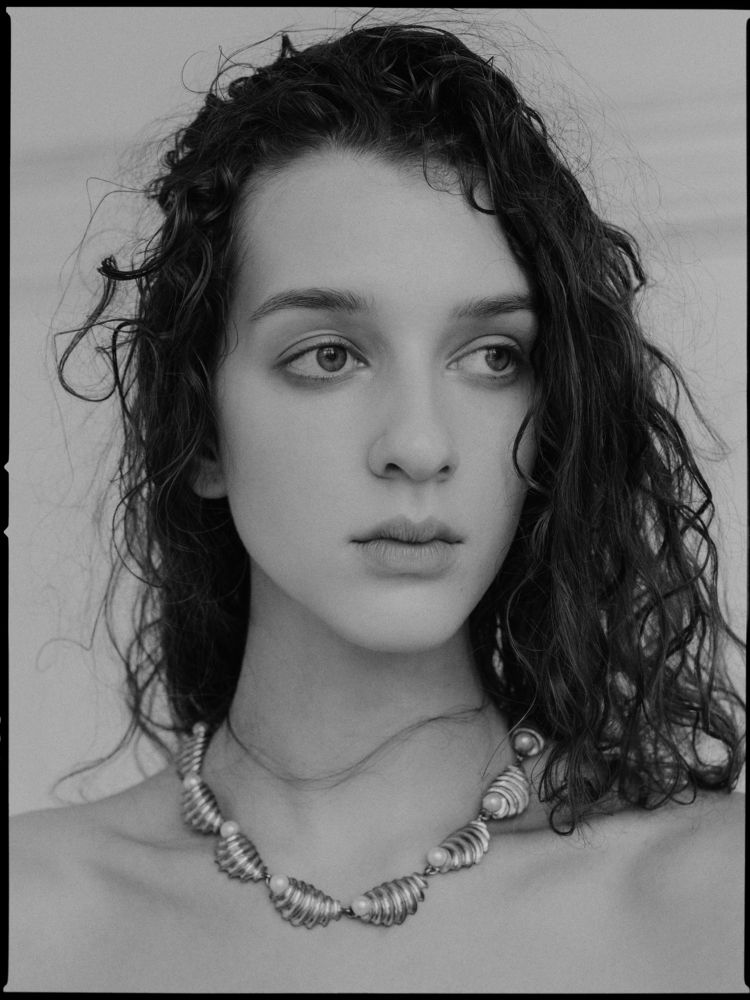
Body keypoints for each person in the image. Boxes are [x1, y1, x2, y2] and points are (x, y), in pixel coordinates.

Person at [8, 21, 745, 993]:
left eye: (493, 357)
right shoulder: (34, 916)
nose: (420, 445)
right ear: (200, 430)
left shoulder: (713, 897)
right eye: (330, 355)